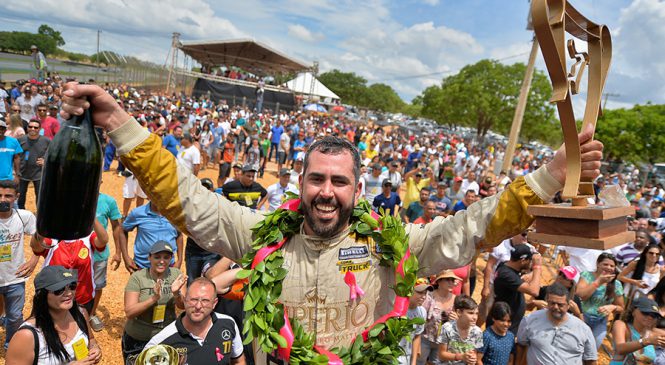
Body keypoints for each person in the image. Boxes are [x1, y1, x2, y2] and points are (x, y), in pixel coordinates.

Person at [59, 82, 603, 348]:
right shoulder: (261, 235)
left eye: (338, 181)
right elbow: (189, 203)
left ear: (357, 188)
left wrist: (551, 176)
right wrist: (118, 122)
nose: (326, 192)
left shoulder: (396, 244)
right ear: (299, 183)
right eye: (316, 178)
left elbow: (472, 229)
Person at [5, 266, 102, 364]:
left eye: (72, 286)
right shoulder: (27, 336)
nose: (69, 293)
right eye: (59, 290)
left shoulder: (81, 313)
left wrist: (95, 349)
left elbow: (91, 340)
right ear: (42, 295)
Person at [145, 277, 246, 364]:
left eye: (205, 301)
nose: (198, 306)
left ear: (214, 303)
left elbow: (239, 361)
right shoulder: (161, 342)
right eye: (194, 299)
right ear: (185, 300)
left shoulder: (228, 324)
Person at [122, 241, 187, 361]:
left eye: (166, 257)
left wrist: (177, 294)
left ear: (171, 259)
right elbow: (129, 312)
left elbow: (183, 306)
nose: (162, 261)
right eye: (157, 257)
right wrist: (154, 298)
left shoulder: (176, 275)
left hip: (166, 337)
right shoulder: (138, 278)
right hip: (139, 339)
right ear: (149, 258)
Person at [31, 220, 109, 314]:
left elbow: (103, 240)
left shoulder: (87, 237)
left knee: (81, 327)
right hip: (56, 300)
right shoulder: (52, 238)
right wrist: (44, 220)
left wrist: (90, 214)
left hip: (83, 299)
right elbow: (35, 246)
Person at [516, 283, 598, 365]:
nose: (555, 307)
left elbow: (591, 360)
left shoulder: (583, 329)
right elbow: (521, 345)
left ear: (568, 305)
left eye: (560, 305)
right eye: (552, 303)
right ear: (547, 302)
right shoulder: (530, 320)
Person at [0, 180, 39, 348]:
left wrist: (34, 260)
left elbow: (40, 239)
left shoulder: (24, 217)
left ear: (17, 196)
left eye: (8, 196)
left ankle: (11, 346)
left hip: (15, 278)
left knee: (15, 316)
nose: (3, 199)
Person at [88, 189, 125, 332]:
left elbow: (116, 226)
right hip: (77, 254)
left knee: (97, 285)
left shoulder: (109, 201)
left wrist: (118, 252)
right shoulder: (72, 197)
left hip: (99, 254)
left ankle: (91, 313)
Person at [576, 252, 625, 349]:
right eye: (605, 264)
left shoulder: (617, 284)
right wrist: (598, 282)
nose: (609, 268)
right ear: (598, 264)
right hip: (582, 317)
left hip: (600, 322)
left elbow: (621, 307)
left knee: (591, 350)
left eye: (612, 266)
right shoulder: (587, 276)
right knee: (576, 346)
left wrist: (612, 307)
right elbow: (581, 296)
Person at [490, 244, 542, 335]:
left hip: (508, 325)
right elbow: (534, 291)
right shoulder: (506, 274)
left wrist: (527, 275)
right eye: (530, 261)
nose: (531, 263)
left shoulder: (507, 266)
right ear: (523, 260)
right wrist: (537, 267)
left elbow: (525, 273)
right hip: (502, 327)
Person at [122, 202, 183, 272]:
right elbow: (123, 231)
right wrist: (125, 257)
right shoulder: (137, 213)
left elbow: (179, 235)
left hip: (168, 267)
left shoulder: (175, 213)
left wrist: (179, 260)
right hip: (142, 267)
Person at [418, 270, 460, 365]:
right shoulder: (429, 296)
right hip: (425, 338)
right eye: (447, 280)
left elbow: (461, 324)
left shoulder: (456, 300)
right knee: (419, 362)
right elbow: (420, 318)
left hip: (443, 342)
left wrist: (456, 320)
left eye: (452, 280)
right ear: (439, 281)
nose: (451, 283)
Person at [610, 297, 665, 365]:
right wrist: (647, 341)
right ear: (633, 311)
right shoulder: (621, 325)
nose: (650, 317)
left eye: (654, 315)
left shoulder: (654, 333)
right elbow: (620, 349)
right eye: (645, 312)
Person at [437, 295, 483, 365]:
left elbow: (474, 353)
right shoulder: (447, 328)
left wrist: (472, 358)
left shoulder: (477, 332)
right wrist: (461, 356)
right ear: (459, 312)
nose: (475, 317)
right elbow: (441, 354)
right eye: (470, 313)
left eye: (476, 313)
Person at [17, 118, 49, 209]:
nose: (33, 129)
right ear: (27, 127)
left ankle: (39, 218)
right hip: (22, 173)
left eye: (35, 127)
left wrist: (45, 161)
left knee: (40, 198)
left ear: (39, 129)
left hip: (39, 174)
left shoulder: (46, 141)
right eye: (30, 127)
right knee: (21, 198)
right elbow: (14, 155)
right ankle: (21, 216)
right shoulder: (20, 140)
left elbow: (52, 155)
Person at [398, 278, 428, 365]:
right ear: (409, 291)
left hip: (407, 356)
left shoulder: (422, 311)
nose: (423, 296)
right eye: (419, 292)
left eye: (425, 293)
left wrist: (413, 361)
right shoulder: (398, 309)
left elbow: (417, 336)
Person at [0, 117, 23, 184]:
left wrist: (17, 174)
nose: (0, 131)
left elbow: (16, 158)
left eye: (2, 129)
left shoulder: (13, 141)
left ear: (5, 130)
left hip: (7, 178)